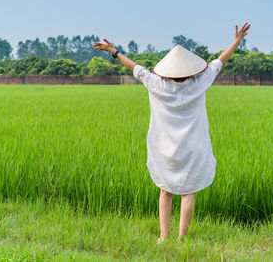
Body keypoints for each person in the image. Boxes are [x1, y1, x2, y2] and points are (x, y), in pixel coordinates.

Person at [93, 23, 250, 243]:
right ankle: (181, 239)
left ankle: (163, 236)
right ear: (189, 70)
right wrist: (236, 41)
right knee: (188, 192)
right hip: (192, 148)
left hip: (165, 149)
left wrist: (114, 51)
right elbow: (220, 60)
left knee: (166, 191)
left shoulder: (156, 83)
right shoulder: (199, 82)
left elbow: (134, 67)